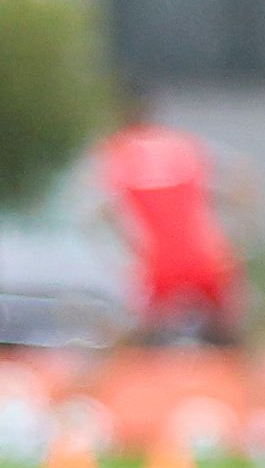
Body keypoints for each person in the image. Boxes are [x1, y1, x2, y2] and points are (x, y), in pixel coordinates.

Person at [86, 86, 254, 346]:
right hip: (208, 260)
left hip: (155, 267)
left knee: (126, 342)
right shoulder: (182, 146)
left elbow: (101, 212)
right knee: (237, 338)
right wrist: (237, 241)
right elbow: (241, 179)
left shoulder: (114, 153)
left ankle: (102, 373)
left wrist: (125, 256)